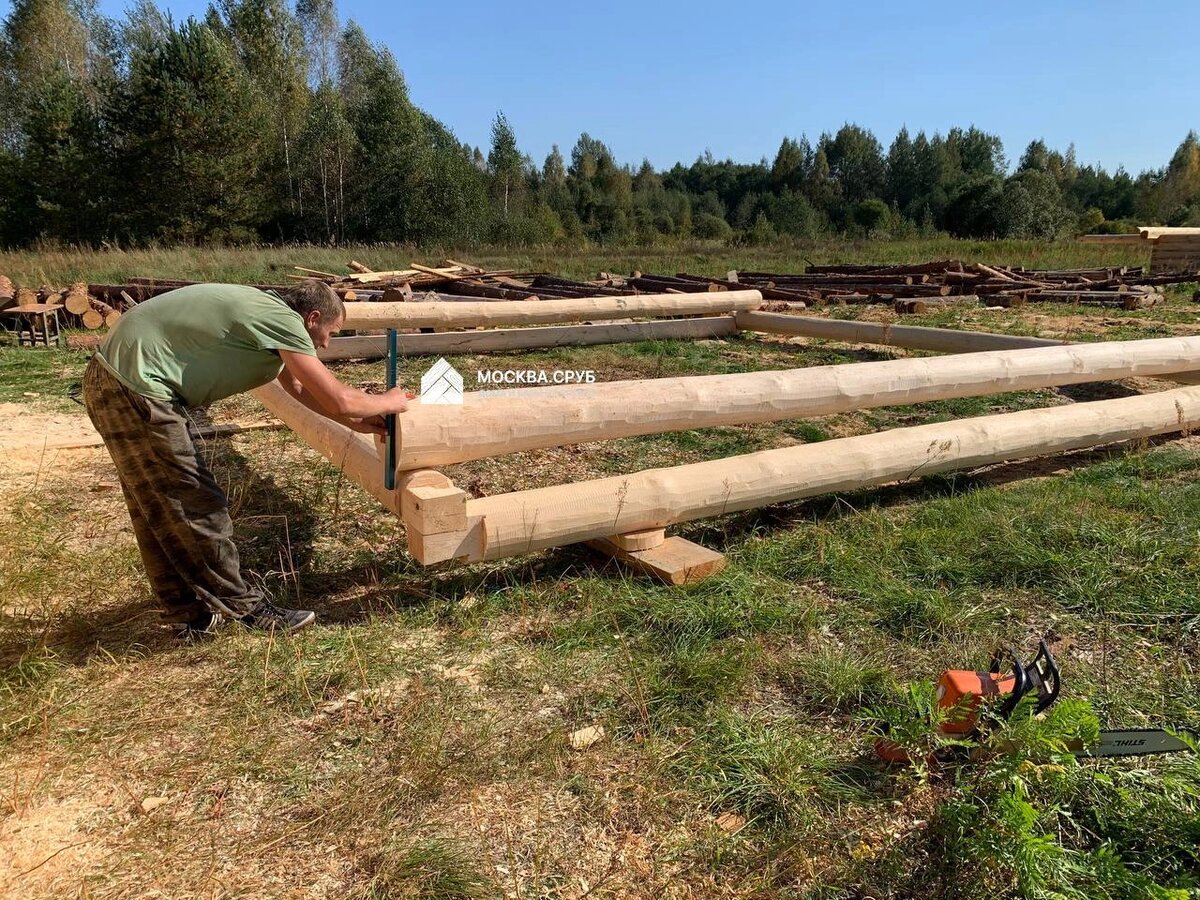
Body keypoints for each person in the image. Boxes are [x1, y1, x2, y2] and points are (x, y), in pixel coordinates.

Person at [82, 279, 409, 637]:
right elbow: (340, 398)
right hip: (136, 390)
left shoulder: (265, 312)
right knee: (196, 502)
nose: (327, 343)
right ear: (312, 318)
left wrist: (359, 424)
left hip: (114, 381)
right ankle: (247, 609)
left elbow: (300, 389)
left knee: (160, 506)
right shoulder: (283, 320)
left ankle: (187, 614)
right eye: (331, 332)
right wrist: (390, 400)